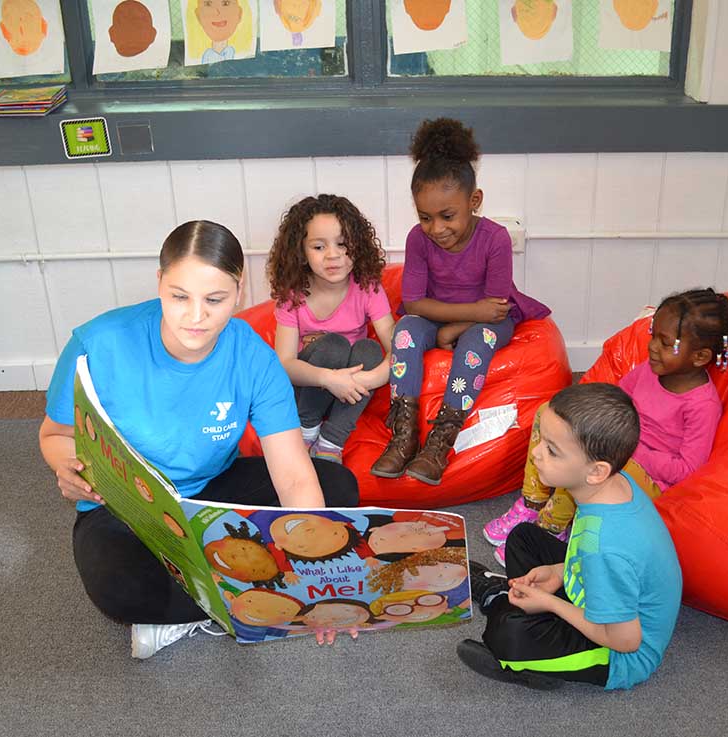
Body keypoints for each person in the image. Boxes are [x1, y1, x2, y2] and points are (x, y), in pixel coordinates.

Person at [39, 220, 360, 659]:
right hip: (125, 507)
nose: (196, 316)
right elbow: (55, 435)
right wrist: (68, 467)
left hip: (211, 492)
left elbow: (292, 473)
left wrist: (318, 583)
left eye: (215, 299)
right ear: (159, 282)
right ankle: (249, 598)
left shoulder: (254, 357)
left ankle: (206, 605)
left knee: (336, 485)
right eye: (179, 297)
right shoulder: (95, 344)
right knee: (115, 587)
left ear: (239, 290)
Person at [485, 288, 728, 565]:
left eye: (665, 343)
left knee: (586, 456)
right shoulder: (649, 370)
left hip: (649, 480)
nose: (652, 346)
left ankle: (550, 528)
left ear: (700, 357)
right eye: (653, 336)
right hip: (617, 445)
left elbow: (687, 470)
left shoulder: (702, 405)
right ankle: (532, 503)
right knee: (550, 413)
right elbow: (614, 401)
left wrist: (626, 449)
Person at [460, 383, 683, 690]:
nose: (536, 454)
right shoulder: (613, 486)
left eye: (552, 450)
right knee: (523, 536)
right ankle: (520, 606)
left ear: (595, 471)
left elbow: (626, 641)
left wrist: (551, 604)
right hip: (602, 592)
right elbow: (588, 551)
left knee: (507, 635)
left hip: (617, 654)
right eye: (542, 440)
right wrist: (559, 572)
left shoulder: (603, 547)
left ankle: (502, 606)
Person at [371, 117, 551, 485]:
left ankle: (442, 439)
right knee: (405, 330)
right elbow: (415, 303)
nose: (436, 229)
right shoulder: (417, 240)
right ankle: (404, 435)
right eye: (425, 217)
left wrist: (460, 324)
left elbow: (496, 308)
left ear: (474, 201)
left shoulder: (495, 239)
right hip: (447, 313)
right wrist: (455, 321)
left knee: (475, 342)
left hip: (488, 320)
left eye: (447, 216)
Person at [268, 194, 394, 465]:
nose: (333, 255)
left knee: (370, 349)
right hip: (310, 387)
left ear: (357, 246)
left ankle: (331, 441)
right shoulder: (293, 296)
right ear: (300, 252)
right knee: (334, 345)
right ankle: (306, 430)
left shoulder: (368, 287)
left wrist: (369, 380)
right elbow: (285, 363)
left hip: (352, 390)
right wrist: (328, 378)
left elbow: (398, 349)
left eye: (342, 244)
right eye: (318, 246)